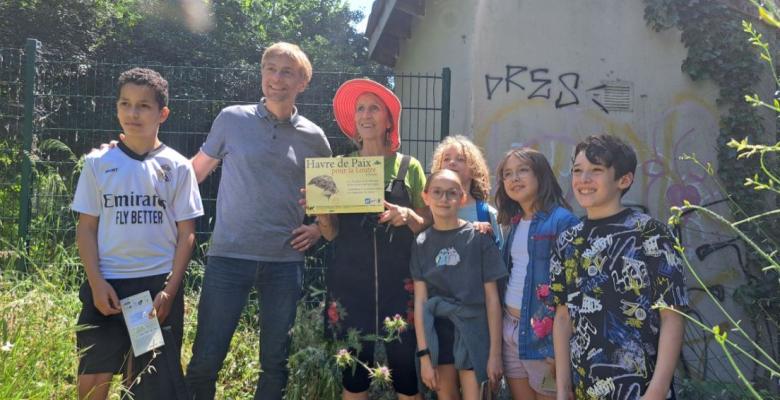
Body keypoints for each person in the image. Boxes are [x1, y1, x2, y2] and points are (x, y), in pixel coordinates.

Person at [185, 42, 332, 400]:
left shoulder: (316, 139)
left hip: (284, 264)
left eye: (286, 72)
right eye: (270, 68)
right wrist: (143, 160)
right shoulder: (231, 119)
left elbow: (328, 204)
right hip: (228, 258)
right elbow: (194, 172)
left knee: (274, 363)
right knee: (205, 358)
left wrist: (317, 229)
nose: (276, 78)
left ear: (303, 82)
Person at [73, 68, 204, 400]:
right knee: (92, 385)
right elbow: (86, 228)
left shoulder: (178, 166)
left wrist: (169, 292)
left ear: (162, 113)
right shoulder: (97, 163)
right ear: (116, 108)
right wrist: (97, 282)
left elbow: (187, 233)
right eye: (125, 103)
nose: (133, 113)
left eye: (143, 106)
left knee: (146, 386)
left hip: (152, 293)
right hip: (107, 288)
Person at [550, 134, 688, 400]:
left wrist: (657, 391)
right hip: (584, 389)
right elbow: (563, 317)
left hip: (642, 390)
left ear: (624, 180)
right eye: (578, 170)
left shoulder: (651, 234)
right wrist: (562, 388)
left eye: (596, 171)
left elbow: (672, 315)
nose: (583, 179)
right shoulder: (567, 240)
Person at [315, 78, 427, 399]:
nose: (366, 115)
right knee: (354, 376)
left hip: (400, 288)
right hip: (351, 288)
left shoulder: (409, 166)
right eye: (360, 108)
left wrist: (408, 216)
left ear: (389, 119)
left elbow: (426, 226)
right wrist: (321, 214)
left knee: (406, 376)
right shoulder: (338, 168)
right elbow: (331, 233)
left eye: (374, 108)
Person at [411, 169, 506, 399]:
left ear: (462, 198)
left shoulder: (479, 237)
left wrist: (495, 353)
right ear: (426, 197)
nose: (444, 199)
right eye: (437, 192)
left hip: (474, 330)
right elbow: (421, 301)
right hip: (439, 333)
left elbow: (492, 300)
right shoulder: (421, 242)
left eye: (452, 193)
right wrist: (425, 356)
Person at [493, 148, 579, 400]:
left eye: (522, 170)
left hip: (545, 338)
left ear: (541, 175)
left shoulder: (563, 221)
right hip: (510, 329)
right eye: (507, 174)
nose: (514, 178)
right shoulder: (515, 222)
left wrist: (561, 347)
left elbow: (575, 290)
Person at [431, 135, 504, 248]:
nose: (452, 163)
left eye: (460, 159)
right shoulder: (431, 210)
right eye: (446, 159)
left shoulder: (487, 214)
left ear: (474, 170)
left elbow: (499, 256)